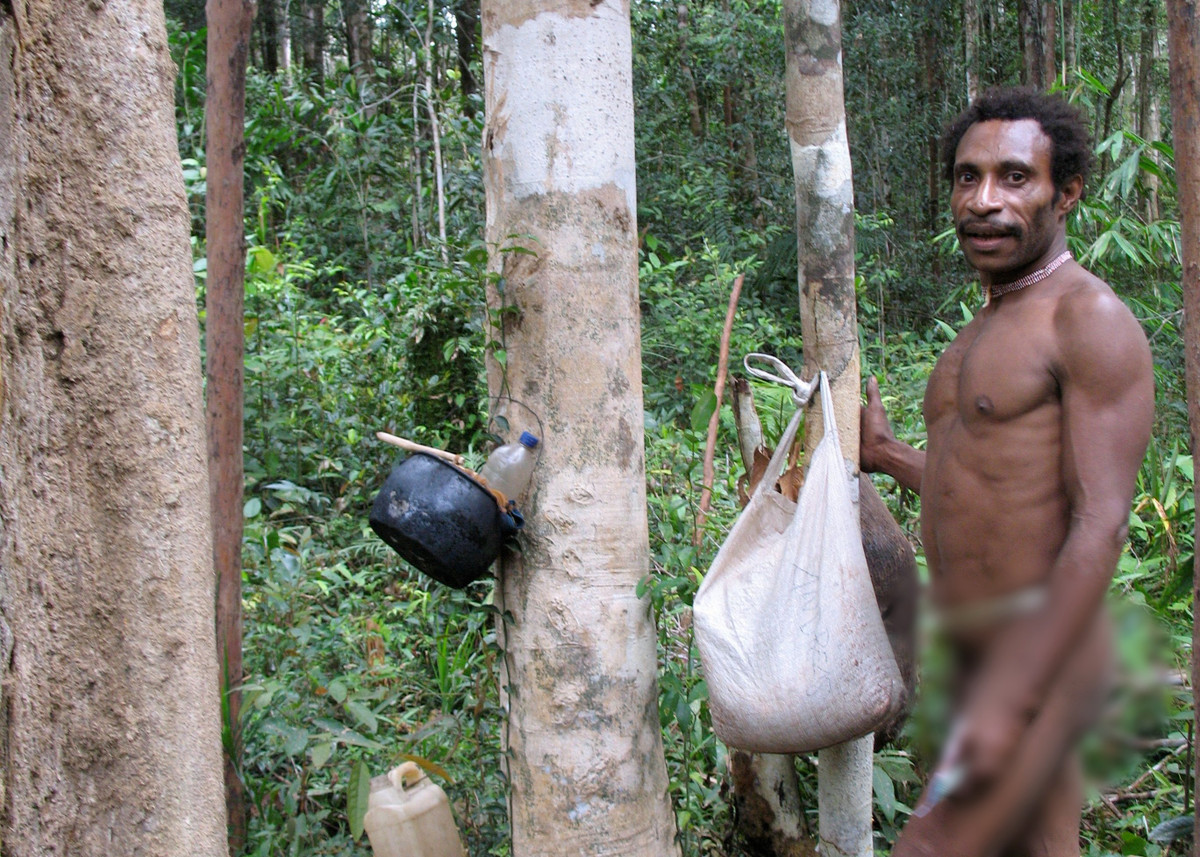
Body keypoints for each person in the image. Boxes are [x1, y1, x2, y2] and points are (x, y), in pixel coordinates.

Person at [860, 87, 1155, 856]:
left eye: (1014, 177)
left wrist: (1013, 694)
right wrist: (888, 455)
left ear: (1068, 192)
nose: (984, 200)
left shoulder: (1085, 318)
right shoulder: (988, 323)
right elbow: (988, 484)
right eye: (967, 177)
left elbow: (1101, 521)